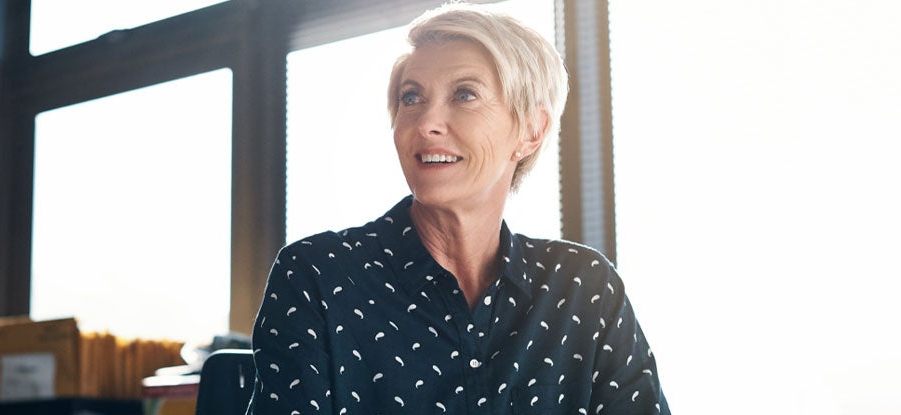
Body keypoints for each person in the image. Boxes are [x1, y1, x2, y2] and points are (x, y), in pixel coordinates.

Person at [248, 3, 669, 414]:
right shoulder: (317, 278)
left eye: (464, 94)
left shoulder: (585, 289)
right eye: (411, 98)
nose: (426, 123)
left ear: (531, 130)